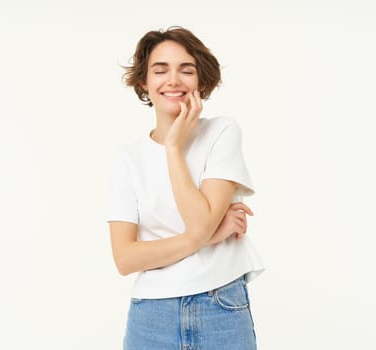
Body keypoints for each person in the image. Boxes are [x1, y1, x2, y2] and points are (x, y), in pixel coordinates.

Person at [106, 26, 265, 350]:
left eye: (186, 70)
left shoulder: (222, 133)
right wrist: (204, 237)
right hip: (151, 315)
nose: (173, 80)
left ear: (201, 81)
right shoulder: (128, 159)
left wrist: (174, 148)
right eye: (160, 70)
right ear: (143, 83)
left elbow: (198, 223)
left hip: (220, 306)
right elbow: (125, 259)